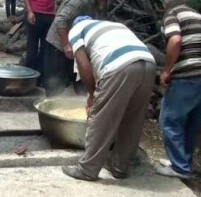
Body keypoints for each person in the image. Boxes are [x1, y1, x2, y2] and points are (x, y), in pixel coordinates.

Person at [61, 16, 156, 181]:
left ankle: (87, 169)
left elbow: (83, 65)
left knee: (101, 118)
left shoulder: (77, 30)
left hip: (120, 65)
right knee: (133, 118)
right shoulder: (115, 25)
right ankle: (120, 167)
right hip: (148, 64)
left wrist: (91, 95)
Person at [155, 0, 201, 179]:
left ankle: (180, 167)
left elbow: (175, 40)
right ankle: (183, 163)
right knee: (191, 123)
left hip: (188, 76)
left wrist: (166, 70)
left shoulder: (172, 14)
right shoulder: (199, 16)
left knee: (169, 120)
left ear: (165, 4)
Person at [23, 0, 97, 88]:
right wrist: (29, 11)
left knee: (45, 51)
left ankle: (39, 81)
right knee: (32, 51)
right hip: (35, 14)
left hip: (50, 15)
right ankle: (27, 81)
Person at [44, 0, 115, 96]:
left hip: (74, 44)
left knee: (73, 79)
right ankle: (49, 108)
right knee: (56, 82)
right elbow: (60, 20)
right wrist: (66, 45)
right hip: (59, 44)